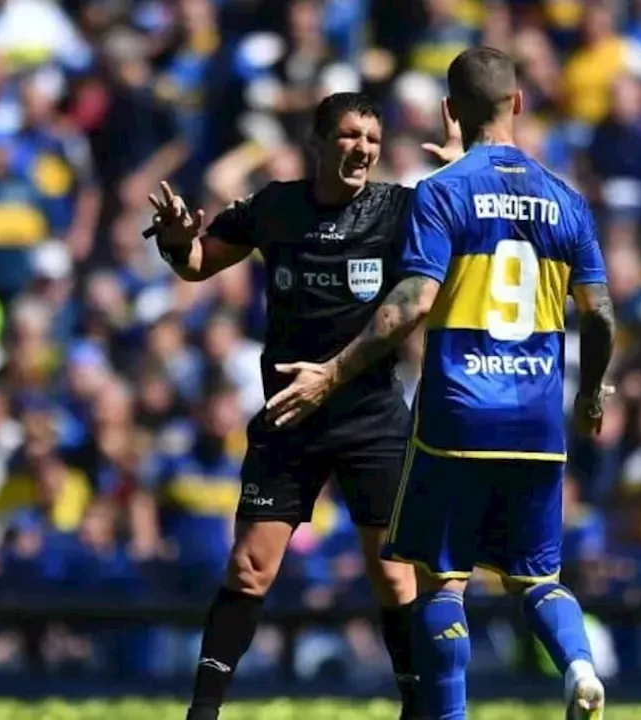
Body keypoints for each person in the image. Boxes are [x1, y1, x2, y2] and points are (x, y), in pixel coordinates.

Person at [265, 48, 616, 720]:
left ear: (451, 111)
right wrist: (591, 391)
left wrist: (335, 372)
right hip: (538, 416)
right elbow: (599, 314)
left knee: (444, 581)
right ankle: (577, 667)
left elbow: (414, 303)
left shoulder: (443, 192)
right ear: (516, 104)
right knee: (537, 576)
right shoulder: (567, 199)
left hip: (458, 411)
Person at [146, 91, 461, 720]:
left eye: (371, 140)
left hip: (371, 418)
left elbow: (469, 216)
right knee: (248, 568)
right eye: (348, 136)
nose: (362, 150)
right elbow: (198, 263)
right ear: (317, 144)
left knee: (395, 579)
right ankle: (201, 713)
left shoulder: (398, 209)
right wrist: (179, 243)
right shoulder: (277, 207)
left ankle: (417, 711)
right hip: (290, 416)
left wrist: (458, 166)